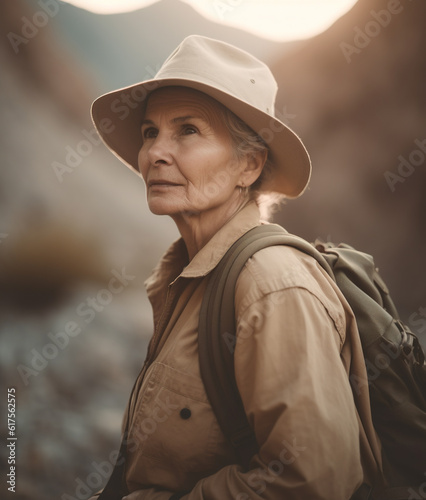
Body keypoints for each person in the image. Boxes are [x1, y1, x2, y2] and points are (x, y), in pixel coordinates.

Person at [90, 35, 383, 500]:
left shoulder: (272, 286)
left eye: (188, 130)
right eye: (150, 132)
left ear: (249, 164)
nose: (156, 153)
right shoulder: (190, 277)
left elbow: (313, 481)